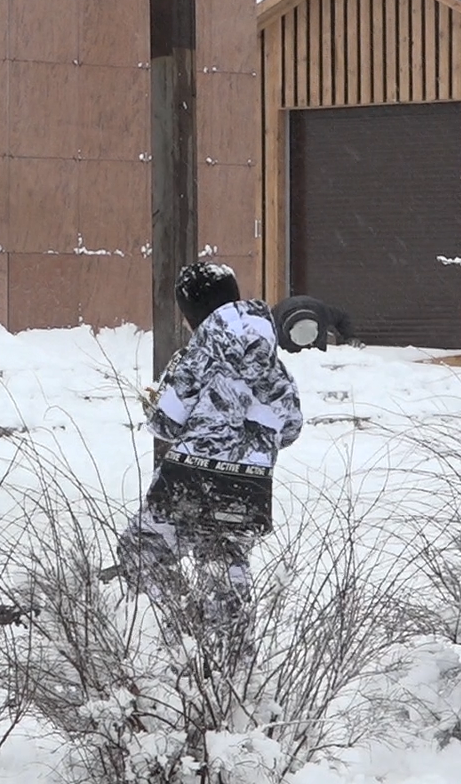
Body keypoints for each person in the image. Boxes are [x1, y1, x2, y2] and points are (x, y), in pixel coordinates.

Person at [114, 263, 304, 669]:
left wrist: (154, 401)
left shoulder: (198, 353)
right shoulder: (270, 357)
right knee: (225, 569)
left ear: (190, 314)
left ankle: (182, 631)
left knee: (141, 550)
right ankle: (233, 664)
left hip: (191, 477)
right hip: (250, 485)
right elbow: (290, 426)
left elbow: (165, 422)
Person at [271, 294, 360, 353]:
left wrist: (350, 337)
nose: (306, 349)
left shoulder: (322, 312)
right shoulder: (274, 319)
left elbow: (342, 318)